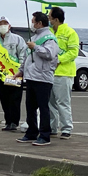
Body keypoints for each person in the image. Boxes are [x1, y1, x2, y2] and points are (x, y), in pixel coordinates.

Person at [15, 12, 59, 146]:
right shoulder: (35, 36)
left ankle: (45, 135)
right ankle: (31, 132)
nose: (32, 24)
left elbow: (50, 54)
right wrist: (21, 70)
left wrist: (36, 47)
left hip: (43, 77)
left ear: (40, 23)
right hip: (31, 76)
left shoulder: (49, 38)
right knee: (30, 107)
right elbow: (28, 57)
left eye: (33, 21)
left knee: (43, 107)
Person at [0, 16, 25, 131]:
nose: (2, 26)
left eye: (5, 23)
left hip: (14, 74)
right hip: (1, 74)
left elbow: (23, 55)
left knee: (14, 98)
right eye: (0, 24)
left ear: (9, 26)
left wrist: (21, 71)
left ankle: (14, 122)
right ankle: (8, 121)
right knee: (4, 99)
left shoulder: (17, 39)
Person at [48, 7, 79, 139]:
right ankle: (52, 127)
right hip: (49, 73)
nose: (48, 19)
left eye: (49, 17)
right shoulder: (49, 32)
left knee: (63, 102)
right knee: (50, 103)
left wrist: (59, 60)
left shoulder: (70, 32)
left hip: (64, 73)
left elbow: (73, 52)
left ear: (56, 19)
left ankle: (66, 128)